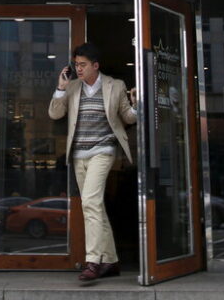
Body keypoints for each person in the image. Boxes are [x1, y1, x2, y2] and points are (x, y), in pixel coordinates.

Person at [49, 43, 137, 281]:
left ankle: (93, 261)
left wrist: (136, 104)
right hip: (79, 155)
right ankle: (111, 261)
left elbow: (127, 116)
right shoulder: (73, 86)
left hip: (103, 150)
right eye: (76, 64)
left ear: (95, 66)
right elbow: (55, 114)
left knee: (89, 201)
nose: (78, 69)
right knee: (95, 206)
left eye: (83, 65)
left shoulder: (115, 85)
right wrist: (60, 88)